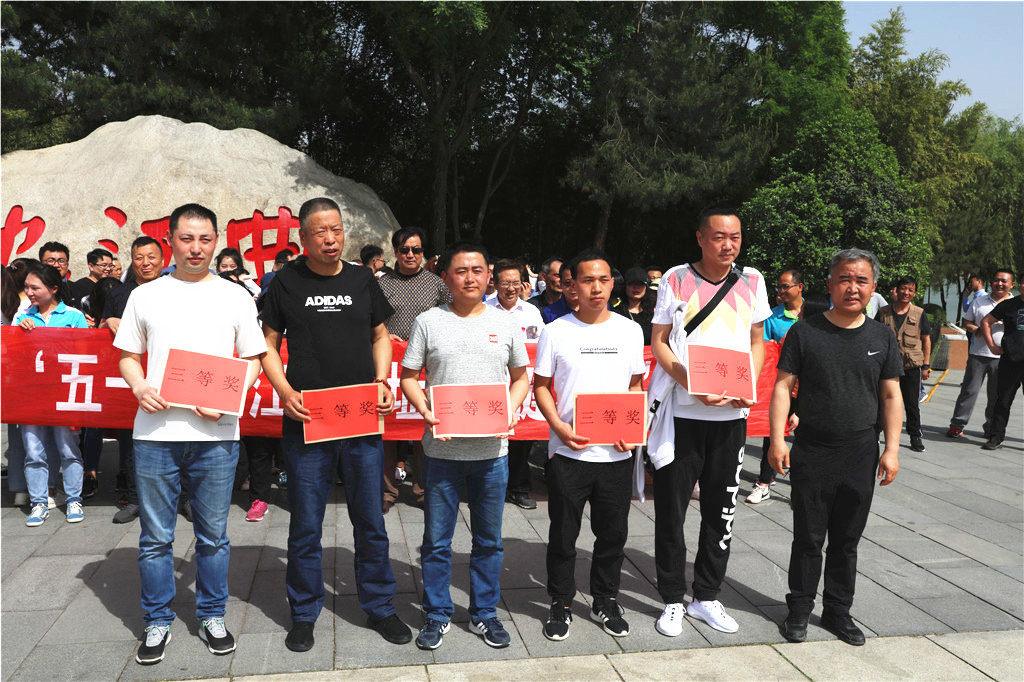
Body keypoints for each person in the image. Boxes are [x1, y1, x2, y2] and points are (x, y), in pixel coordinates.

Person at [114, 203, 267, 665]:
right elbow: (127, 356)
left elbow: (254, 359)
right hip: (155, 435)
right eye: (186, 239)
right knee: (155, 538)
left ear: (216, 240)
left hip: (216, 434)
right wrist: (140, 386)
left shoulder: (236, 297)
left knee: (214, 536)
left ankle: (212, 615)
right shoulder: (145, 295)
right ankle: (157, 620)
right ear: (170, 241)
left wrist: (228, 395)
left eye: (204, 239)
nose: (196, 248)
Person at [259, 197, 412, 651]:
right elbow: (267, 344)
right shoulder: (285, 282)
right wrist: (285, 392)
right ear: (303, 237)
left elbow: (380, 336)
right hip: (308, 421)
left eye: (337, 229)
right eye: (320, 231)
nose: (330, 239)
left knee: (370, 520)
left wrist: (382, 381)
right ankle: (304, 612)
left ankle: (380, 606)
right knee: (306, 524)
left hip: (360, 419)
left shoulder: (363, 279)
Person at [399, 242, 530, 651]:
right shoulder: (428, 321)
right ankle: (437, 614)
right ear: (446, 277)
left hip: (492, 454)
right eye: (460, 270)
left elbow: (521, 377)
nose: (469, 277)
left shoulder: (505, 323)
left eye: (477, 270)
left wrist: (510, 409)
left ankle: (484, 613)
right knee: (436, 542)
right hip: (441, 453)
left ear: (489, 275)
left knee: (489, 540)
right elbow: (408, 376)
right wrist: (426, 410)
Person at [769, 248, 902, 647]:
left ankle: (838, 612)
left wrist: (892, 449)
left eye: (861, 280)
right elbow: (782, 387)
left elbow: (891, 395)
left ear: (874, 288)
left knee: (846, 540)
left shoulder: (882, 336)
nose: (852, 287)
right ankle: (799, 609)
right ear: (830, 284)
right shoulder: (805, 332)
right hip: (813, 448)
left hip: (861, 449)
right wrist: (777, 439)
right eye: (844, 279)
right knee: (808, 538)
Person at [648, 206, 771, 637]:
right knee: (671, 511)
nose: (728, 245)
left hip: (730, 417)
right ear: (700, 237)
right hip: (682, 415)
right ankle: (671, 598)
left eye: (735, 237)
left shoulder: (752, 280)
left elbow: (757, 341)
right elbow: (659, 342)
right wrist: (690, 382)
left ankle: (706, 596)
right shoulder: (676, 278)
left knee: (722, 511)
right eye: (719, 236)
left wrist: (748, 383)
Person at [533, 249, 646, 641]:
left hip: (616, 452)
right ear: (572, 287)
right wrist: (559, 427)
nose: (596, 287)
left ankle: (605, 599)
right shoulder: (555, 331)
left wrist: (633, 429)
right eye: (587, 280)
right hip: (569, 451)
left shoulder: (629, 330)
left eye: (603, 279)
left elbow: (635, 385)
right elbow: (541, 386)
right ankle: (560, 602)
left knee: (612, 535)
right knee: (564, 535)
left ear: (612, 284)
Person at [378, 226, 452, 511]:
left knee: (425, 429)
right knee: (388, 430)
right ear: (395, 252)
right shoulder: (382, 284)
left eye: (416, 250)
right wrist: (384, 334)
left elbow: (451, 318)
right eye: (404, 249)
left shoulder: (436, 284)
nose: (410, 254)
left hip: (426, 368)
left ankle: (423, 490)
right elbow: (371, 321)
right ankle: (387, 492)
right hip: (391, 366)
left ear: (423, 252)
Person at [14, 264, 89, 527]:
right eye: (26, 287)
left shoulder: (74, 316)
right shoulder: (21, 317)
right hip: (31, 395)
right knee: (34, 451)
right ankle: (39, 502)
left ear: (54, 288)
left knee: (68, 448)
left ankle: (74, 499)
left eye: (35, 287)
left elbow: (87, 354)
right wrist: (19, 332)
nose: (29, 292)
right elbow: (12, 354)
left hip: (65, 394)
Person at [102, 236, 167, 524]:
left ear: (162, 260)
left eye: (151, 257)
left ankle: (185, 498)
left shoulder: (175, 289)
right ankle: (134, 499)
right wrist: (109, 321)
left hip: (169, 373)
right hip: (133, 378)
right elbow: (100, 326)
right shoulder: (120, 292)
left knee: (182, 440)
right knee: (131, 441)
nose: (146, 263)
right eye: (139, 258)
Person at [489, 259, 545, 509]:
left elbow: (541, 346)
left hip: (524, 385)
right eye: (505, 283)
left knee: (523, 438)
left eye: (515, 283)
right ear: (495, 283)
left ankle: (519, 488)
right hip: (493, 383)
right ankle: (492, 489)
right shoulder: (484, 309)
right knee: (495, 437)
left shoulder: (531, 312)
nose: (510, 288)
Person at [747, 270, 804, 504]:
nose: (781, 291)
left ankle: (803, 484)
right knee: (772, 433)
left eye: (785, 286)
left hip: (810, 387)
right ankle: (764, 482)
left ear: (800, 287)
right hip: (783, 385)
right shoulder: (772, 316)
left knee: (807, 438)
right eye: (779, 287)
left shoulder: (816, 312)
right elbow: (766, 351)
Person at [947, 269, 1015, 439]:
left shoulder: (1015, 304)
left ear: (1012, 284)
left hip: (1003, 356)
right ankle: (957, 425)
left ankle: (991, 426)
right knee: (969, 391)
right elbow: (967, 322)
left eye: (1004, 281)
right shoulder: (979, 301)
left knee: (996, 395)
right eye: (997, 280)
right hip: (978, 354)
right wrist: (977, 329)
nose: (999, 284)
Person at [877, 276, 931, 452]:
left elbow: (926, 339)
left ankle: (915, 436)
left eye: (910, 290)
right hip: (887, 366)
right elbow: (874, 336)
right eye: (903, 288)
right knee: (881, 401)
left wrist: (926, 365)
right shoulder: (883, 312)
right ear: (896, 290)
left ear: (914, 293)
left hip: (911, 365)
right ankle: (875, 433)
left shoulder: (919, 313)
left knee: (912, 404)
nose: (906, 292)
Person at [979, 280, 1023, 450]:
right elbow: (985, 321)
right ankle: (996, 437)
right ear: (1019, 285)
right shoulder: (1009, 304)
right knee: (1003, 400)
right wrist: (992, 346)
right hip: (1011, 360)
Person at [612, 267, 656, 344]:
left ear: (646, 287)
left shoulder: (655, 313)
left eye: (640, 284)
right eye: (632, 283)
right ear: (625, 286)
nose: (636, 287)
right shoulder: (616, 314)